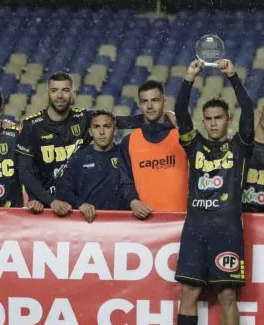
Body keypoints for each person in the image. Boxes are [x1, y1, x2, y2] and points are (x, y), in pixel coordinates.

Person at [162, 58, 254, 325]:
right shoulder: (194, 144)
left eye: (218, 118)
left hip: (227, 228)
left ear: (228, 120)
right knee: (189, 290)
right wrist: (189, 78)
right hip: (196, 227)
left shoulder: (240, 146)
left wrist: (233, 76)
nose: (213, 123)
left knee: (227, 294)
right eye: (209, 118)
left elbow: (249, 110)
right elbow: (180, 109)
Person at [16, 72, 143, 210]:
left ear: (73, 94)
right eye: (54, 90)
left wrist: (160, 117)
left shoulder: (84, 119)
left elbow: (117, 121)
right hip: (45, 204)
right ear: (48, 94)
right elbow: (24, 171)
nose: (59, 95)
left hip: (78, 204)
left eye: (65, 90)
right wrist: (48, 200)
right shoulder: (31, 126)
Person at [52, 110, 153, 222]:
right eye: (96, 127)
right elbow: (63, 189)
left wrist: (167, 114)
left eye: (107, 126)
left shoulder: (124, 154)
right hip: (89, 225)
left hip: (122, 224)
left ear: (115, 130)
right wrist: (80, 204)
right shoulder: (79, 158)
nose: (101, 132)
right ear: (90, 131)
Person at [119, 79, 188, 213]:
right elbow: (124, 181)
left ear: (164, 102)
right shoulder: (129, 142)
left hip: (181, 223)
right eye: (145, 101)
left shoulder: (183, 136)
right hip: (145, 225)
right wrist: (133, 201)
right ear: (139, 105)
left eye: (155, 100)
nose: (149, 106)